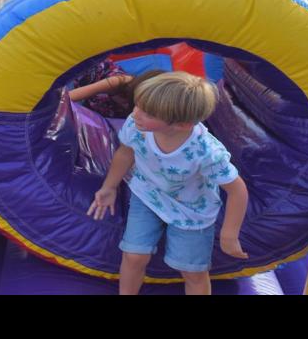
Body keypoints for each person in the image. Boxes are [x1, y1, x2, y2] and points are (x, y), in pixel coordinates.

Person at [86, 72, 249, 296]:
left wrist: (230, 235)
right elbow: (125, 153)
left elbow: (237, 190)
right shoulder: (137, 126)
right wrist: (109, 187)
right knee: (134, 255)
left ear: (182, 124)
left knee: (192, 272)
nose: (135, 114)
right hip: (148, 193)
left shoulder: (205, 152)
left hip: (191, 210)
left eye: (147, 112)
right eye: (137, 105)